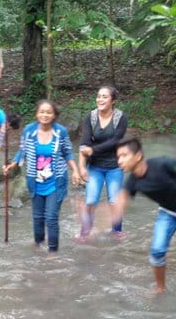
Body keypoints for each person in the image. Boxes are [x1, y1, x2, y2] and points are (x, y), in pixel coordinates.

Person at [111, 137, 176, 294]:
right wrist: (94, 216)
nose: (119, 161)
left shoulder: (161, 164)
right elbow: (119, 206)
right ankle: (160, 288)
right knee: (157, 251)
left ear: (138, 156)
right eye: (118, 157)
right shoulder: (131, 182)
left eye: (124, 155)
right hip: (168, 212)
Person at [3, 100, 81, 254]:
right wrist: (13, 164)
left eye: (48, 112)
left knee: (51, 218)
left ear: (54, 115)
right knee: (38, 217)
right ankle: (38, 245)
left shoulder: (61, 132)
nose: (45, 115)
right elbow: (23, 150)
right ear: (37, 114)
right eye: (42, 112)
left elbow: (67, 153)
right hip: (35, 181)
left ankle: (53, 252)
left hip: (55, 181)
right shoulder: (29, 131)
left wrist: (76, 170)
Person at [75, 86, 128, 242]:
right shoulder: (90, 117)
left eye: (104, 97)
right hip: (95, 167)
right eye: (98, 96)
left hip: (115, 166)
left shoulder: (120, 117)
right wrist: (81, 168)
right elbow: (84, 144)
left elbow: (116, 141)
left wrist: (93, 149)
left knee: (114, 201)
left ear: (113, 100)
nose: (100, 99)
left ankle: (117, 230)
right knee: (91, 201)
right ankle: (85, 232)